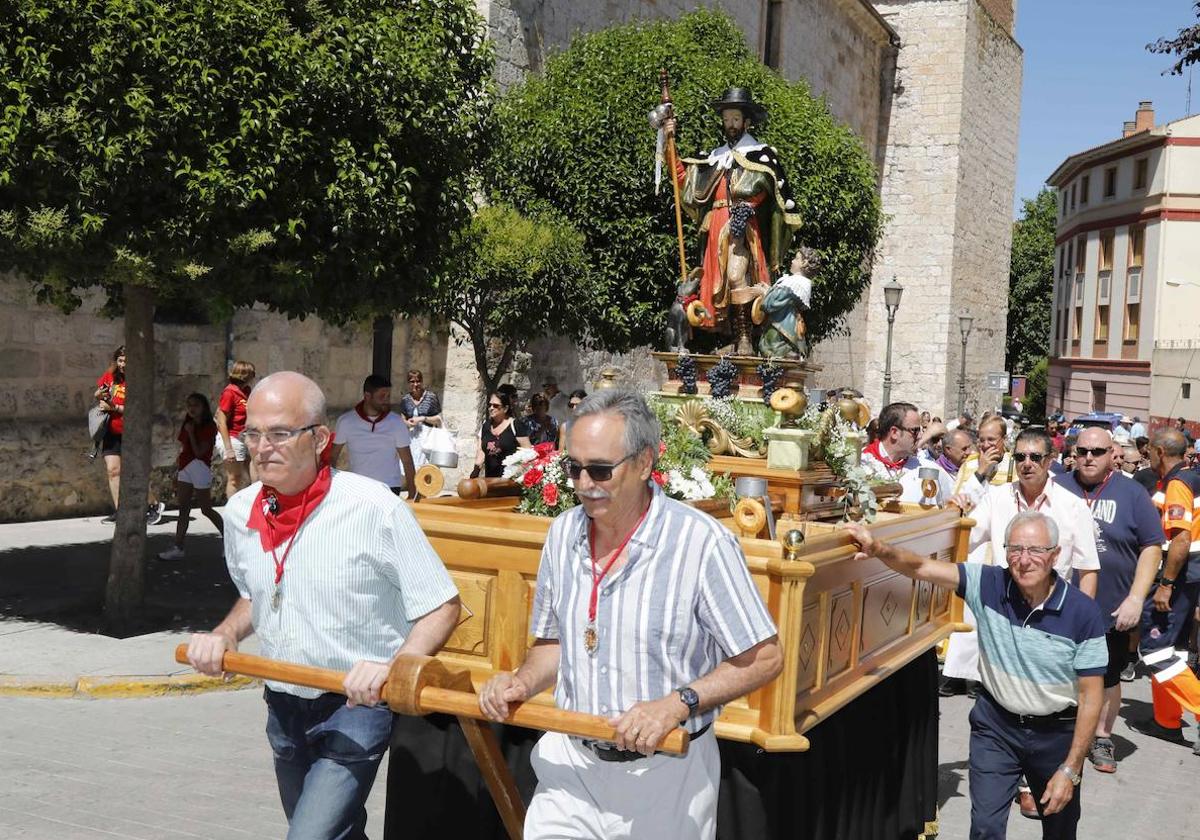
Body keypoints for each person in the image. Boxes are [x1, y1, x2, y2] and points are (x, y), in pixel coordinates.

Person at [478, 389, 782, 840]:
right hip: (571, 766)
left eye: (600, 469)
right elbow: (553, 644)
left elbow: (765, 657)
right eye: (573, 468)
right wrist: (520, 682)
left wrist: (677, 704)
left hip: (666, 776)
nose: (583, 483)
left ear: (643, 463)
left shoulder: (702, 544)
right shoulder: (563, 534)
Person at [185, 371, 461, 839]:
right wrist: (224, 634)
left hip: (356, 708)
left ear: (319, 440)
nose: (261, 446)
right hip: (284, 703)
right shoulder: (240, 512)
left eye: (279, 433)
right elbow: (257, 594)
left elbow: (442, 605)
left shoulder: (374, 507)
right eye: (253, 433)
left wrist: (394, 667)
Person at [846, 512, 1106, 838]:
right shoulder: (988, 583)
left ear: (1055, 555)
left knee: (1060, 829)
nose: (1024, 560)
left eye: (1036, 551)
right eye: (1015, 549)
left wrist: (1071, 769)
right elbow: (921, 567)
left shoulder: (1083, 613)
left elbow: (1090, 696)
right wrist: (879, 548)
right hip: (996, 727)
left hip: (1057, 735)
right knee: (985, 828)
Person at [1055, 428, 1164, 773]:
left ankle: (1101, 736)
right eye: (1083, 450)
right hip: (1057, 604)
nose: (1089, 457)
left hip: (1111, 607)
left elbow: (1151, 546)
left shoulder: (1131, 493)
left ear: (1111, 453)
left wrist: (1136, 597)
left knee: (1108, 678)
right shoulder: (1056, 486)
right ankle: (1058, 736)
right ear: (1073, 452)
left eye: (1098, 451)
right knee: (1058, 673)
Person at [667, 87, 802, 354]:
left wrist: (746, 208)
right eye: (727, 119)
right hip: (716, 226)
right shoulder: (715, 157)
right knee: (717, 286)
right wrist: (668, 140)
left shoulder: (761, 155)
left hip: (741, 226)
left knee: (737, 276)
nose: (730, 125)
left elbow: (771, 192)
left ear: (746, 122)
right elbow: (686, 182)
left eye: (735, 120)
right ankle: (727, 340)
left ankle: (744, 339)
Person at [953, 429, 1100, 599]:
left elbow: (1088, 570)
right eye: (1020, 457)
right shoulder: (995, 499)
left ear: (1049, 461)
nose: (1027, 463)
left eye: (1035, 457)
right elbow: (965, 539)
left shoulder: (1074, 507)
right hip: (1003, 607)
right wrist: (956, 513)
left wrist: (1081, 619)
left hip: (1052, 610)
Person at [1135, 428, 1200, 753]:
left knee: (1155, 650)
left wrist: (1165, 585)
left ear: (1160, 451)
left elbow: (1181, 538)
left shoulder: (1178, 484)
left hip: (1178, 577)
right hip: (1191, 578)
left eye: (1150, 450)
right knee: (1171, 651)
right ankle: (1167, 722)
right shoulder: (1192, 477)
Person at [94, 345, 164, 525]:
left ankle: (153, 504)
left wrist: (115, 408)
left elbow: (139, 409)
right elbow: (100, 393)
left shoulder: (139, 381)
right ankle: (120, 511)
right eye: (121, 360)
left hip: (132, 432)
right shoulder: (109, 376)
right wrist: (99, 397)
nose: (123, 364)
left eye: (127, 361)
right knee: (113, 471)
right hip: (111, 430)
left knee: (134, 472)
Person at [158, 394, 225, 561]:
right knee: (183, 509)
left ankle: (229, 539)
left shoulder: (209, 426)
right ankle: (178, 547)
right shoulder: (187, 424)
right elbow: (183, 448)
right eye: (189, 405)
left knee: (206, 509)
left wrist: (192, 433)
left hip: (200, 467)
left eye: (195, 405)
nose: (192, 409)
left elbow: (199, 452)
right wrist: (177, 469)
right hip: (185, 467)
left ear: (203, 407)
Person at [331, 374, 417, 498]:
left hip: (389, 487)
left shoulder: (396, 422)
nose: (387, 400)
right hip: (358, 488)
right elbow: (333, 457)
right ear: (367, 396)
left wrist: (412, 494)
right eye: (382, 396)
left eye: (388, 396)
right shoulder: (346, 422)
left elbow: (407, 461)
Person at [860, 401, 956, 503]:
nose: (920, 436)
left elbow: (952, 502)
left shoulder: (930, 469)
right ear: (894, 433)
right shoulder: (861, 465)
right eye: (915, 431)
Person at [216, 360, 256, 499]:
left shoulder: (246, 391)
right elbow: (221, 421)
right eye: (252, 373)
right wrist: (229, 449)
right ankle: (231, 510)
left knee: (250, 476)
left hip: (244, 437)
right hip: (232, 438)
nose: (254, 376)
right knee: (235, 478)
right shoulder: (230, 393)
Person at [472, 390, 531, 478]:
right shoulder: (486, 426)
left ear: (505, 408)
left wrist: (518, 472)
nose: (491, 408)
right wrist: (476, 470)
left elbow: (528, 452)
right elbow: (481, 451)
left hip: (510, 481)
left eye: (496, 406)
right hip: (491, 480)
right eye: (490, 405)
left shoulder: (515, 425)